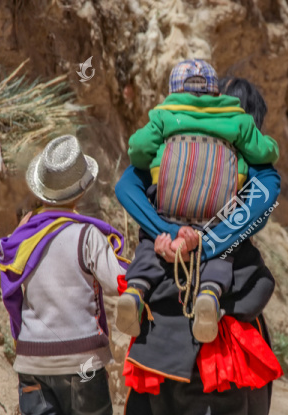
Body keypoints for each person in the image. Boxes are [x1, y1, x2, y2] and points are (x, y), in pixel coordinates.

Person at [116, 78, 283, 415]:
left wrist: (169, 234)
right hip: (215, 351)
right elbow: (256, 287)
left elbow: (127, 183)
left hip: (156, 348)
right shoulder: (249, 188)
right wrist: (210, 257)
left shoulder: (158, 187)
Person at [0, 135, 128, 415]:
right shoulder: (87, 237)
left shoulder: (21, 239)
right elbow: (118, 282)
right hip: (83, 360)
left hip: (32, 364)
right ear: (82, 190)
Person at [117, 60, 279, 343]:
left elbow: (131, 172)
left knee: (146, 246)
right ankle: (210, 295)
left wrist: (166, 233)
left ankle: (136, 291)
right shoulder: (243, 134)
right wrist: (204, 244)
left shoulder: (164, 119)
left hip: (168, 225)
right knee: (259, 281)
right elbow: (259, 208)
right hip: (214, 228)